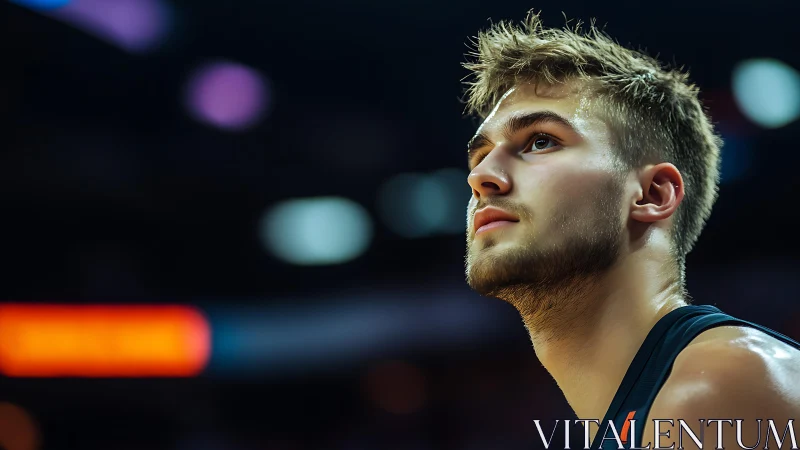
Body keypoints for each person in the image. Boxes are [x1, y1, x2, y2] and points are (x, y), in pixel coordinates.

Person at [462, 10, 800, 450]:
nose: (481, 176)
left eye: (540, 140)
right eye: (479, 156)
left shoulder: (716, 387)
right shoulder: (660, 402)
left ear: (653, 194)